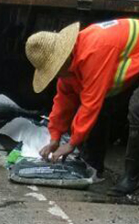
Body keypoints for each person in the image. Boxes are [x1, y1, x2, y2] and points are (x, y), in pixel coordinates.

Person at [25, 19, 139, 196]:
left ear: (63, 58)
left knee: (136, 109)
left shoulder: (94, 51)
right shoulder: (70, 65)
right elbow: (63, 100)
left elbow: (91, 102)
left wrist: (71, 143)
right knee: (103, 108)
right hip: (134, 62)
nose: (55, 76)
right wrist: (55, 137)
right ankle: (93, 165)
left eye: (54, 70)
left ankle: (132, 177)